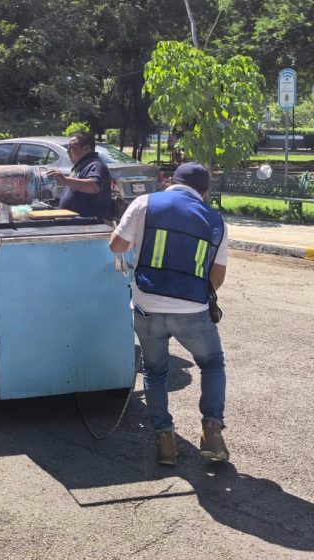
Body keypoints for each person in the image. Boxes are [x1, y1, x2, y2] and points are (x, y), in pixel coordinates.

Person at [108, 162, 230, 466]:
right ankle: (212, 432)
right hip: (192, 310)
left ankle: (165, 441)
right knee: (212, 363)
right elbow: (216, 278)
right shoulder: (215, 221)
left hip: (147, 305)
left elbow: (116, 245)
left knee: (154, 371)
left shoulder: (145, 203)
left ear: (170, 182)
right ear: (204, 192)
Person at [45, 132, 112, 219]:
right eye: (68, 147)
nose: (68, 151)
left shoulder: (95, 165)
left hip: (91, 222)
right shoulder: (81, 165)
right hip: (77, 221)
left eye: (72, 147)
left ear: (86, 148)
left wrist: (65, 179)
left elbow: (94, 186)